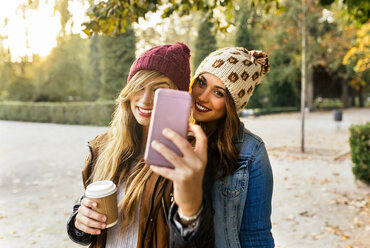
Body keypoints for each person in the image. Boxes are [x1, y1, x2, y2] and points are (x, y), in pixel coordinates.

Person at [66, 42, 214, 248]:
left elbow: (199, 240)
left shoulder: (188, 157)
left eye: (158, 90)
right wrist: (79, 223)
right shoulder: (103, 147)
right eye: (139, 86)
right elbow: (84, 212)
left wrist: (190, 212)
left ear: (177, 98)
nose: (145, 100)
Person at [151, 47, 274, 247]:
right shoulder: (168, 131)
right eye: (201, 83)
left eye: (218, 92)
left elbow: (257, 236)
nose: (202, 96)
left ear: (232, 105)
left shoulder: (251, 152)